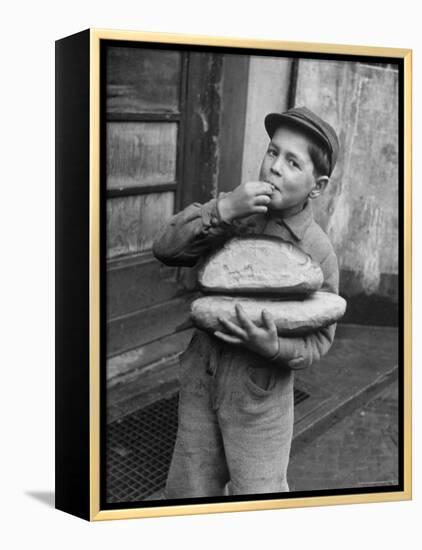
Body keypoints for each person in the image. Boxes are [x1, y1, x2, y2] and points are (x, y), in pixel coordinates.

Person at [153, 106, 340, 498]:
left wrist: (275, 347)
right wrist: (222, 209)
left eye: (292, 162)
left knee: (259, 495)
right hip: (201, 379)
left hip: (261, 395)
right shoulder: (231, 214)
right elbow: (165, 249)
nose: (274, 167)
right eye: (273, 152)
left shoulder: (319, 252)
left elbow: (320, 339)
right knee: (189, 488)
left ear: (317, 186)